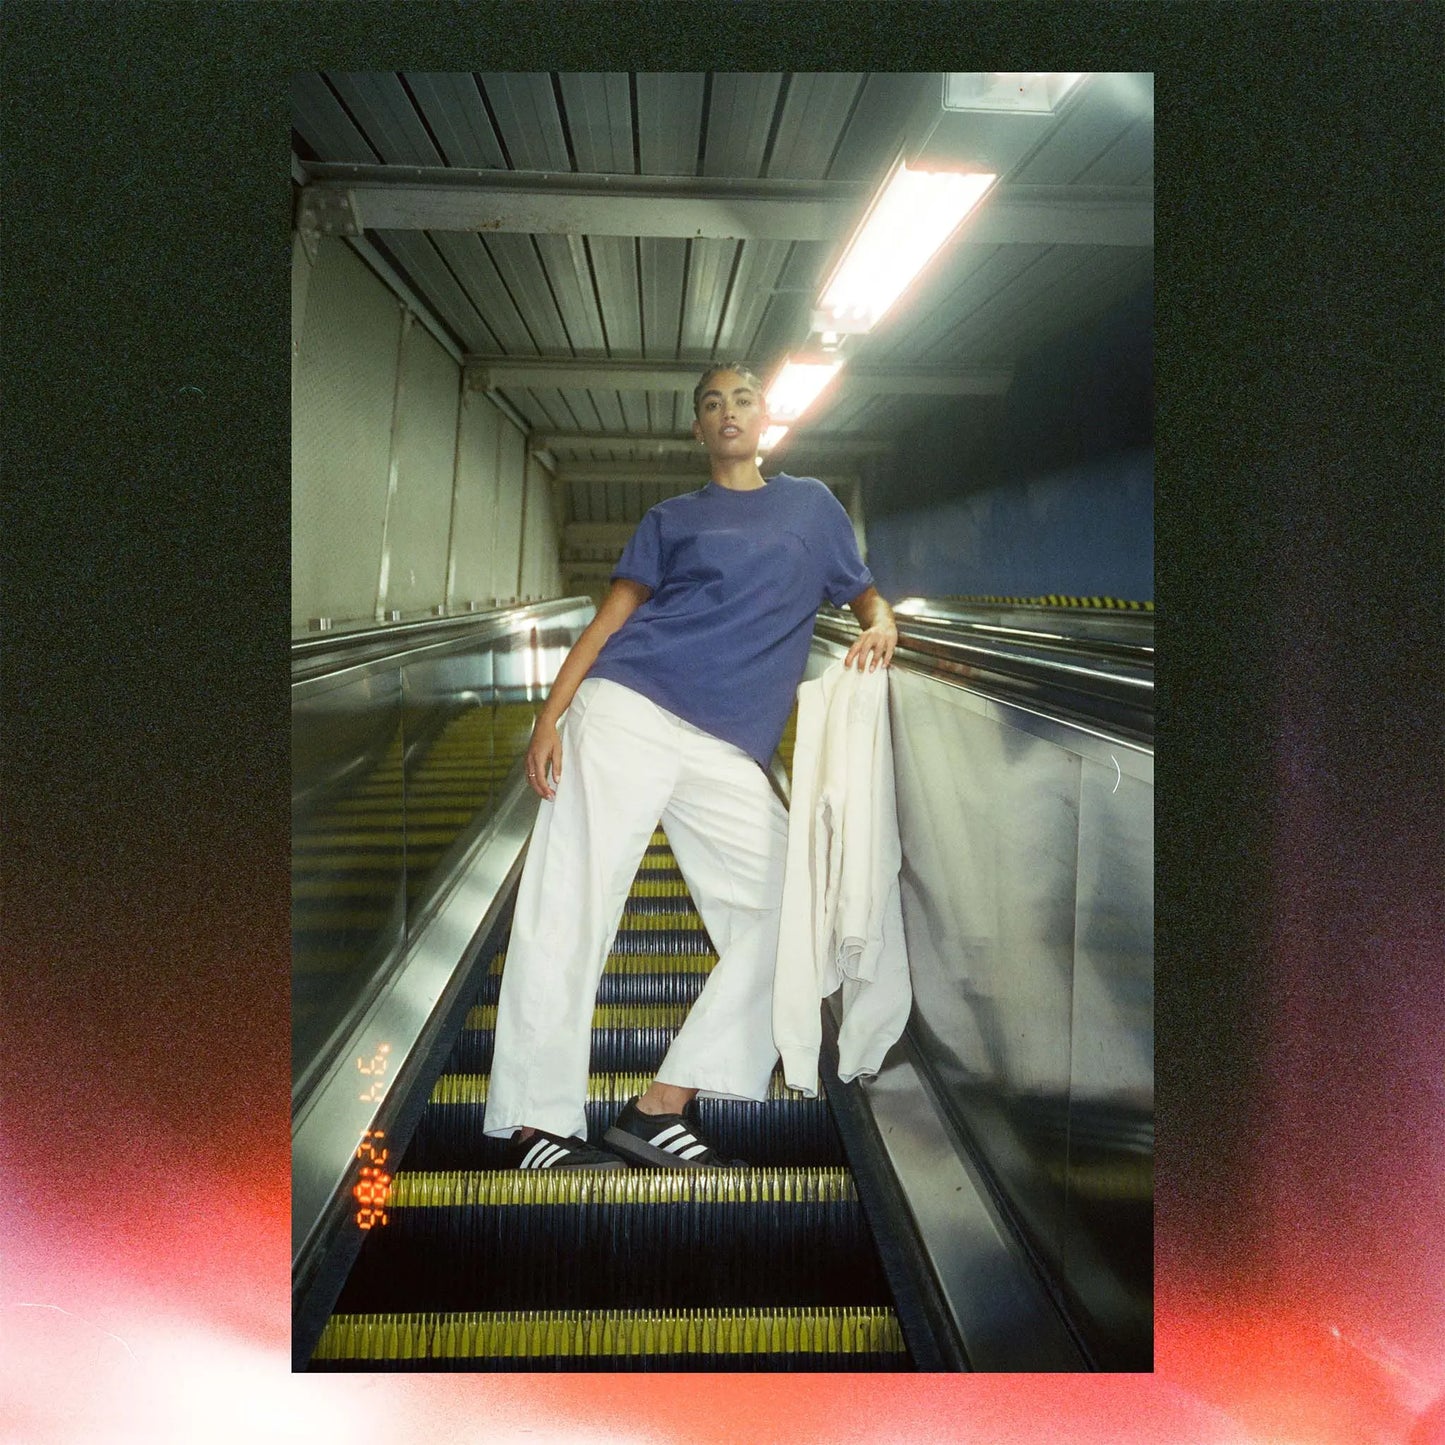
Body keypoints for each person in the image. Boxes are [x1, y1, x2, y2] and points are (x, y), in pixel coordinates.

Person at [481, 362, 898, 1169]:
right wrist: (549, 716)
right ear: (698, 431)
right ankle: (537, 1123)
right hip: (627, 709)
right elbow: (609, 621)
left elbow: (864, 595)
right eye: (711, 404)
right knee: (570, 904)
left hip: (726, 747)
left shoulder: (811, 507)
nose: (728, 411)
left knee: (797, 904)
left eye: (742, 397)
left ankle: (659, 1104)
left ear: (765, 417)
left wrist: (883, 624)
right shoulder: (672, 517)